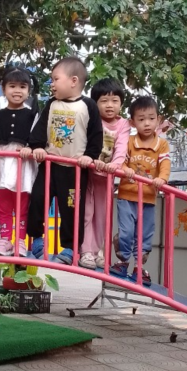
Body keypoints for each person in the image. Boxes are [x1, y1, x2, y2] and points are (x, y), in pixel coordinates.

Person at [25, 56, 103, 264]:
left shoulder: (88, 106)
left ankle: (69, 248)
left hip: (74, 171)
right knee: (38, 200)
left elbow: (96, 135)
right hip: (50, 166)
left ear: (73, 81)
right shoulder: (52, 104)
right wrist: (37, 146)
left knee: (71, 210)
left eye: (55, 79)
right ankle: (37, 238)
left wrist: (89, 156)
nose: (52, 84)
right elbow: (41, 129)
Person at [111, 95, 171, 285]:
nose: (147, 123)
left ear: (158, 120)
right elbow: (120, 159)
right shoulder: (130, 141)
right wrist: (124, 168)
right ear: (132, 122)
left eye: (151, 118)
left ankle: (139, 266)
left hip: (148, 198)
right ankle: (123, 260)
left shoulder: (161, 144)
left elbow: (165, 164)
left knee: (145, 234)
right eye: (141, 119)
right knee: (127, 231)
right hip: (127, 196)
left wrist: (162, 178)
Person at [0, 66, 38, 256]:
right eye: (12, 86)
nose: (17, 91)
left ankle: (20, 241)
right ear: (4, 89)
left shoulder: (32, 113)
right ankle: (5, 240)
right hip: (1, 161)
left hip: (23, 162)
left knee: (22, 205)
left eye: (22, 87)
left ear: (28, 90)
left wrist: (30, 146)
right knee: (3, 204)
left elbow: (38, 136)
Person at [79, 77, 130, 270]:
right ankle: (86, 251)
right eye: (104, 101)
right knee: (86, 213)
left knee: (102, 216)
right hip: (88, 173)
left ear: (121, 103)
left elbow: (121, 147)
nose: (110, 105)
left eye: (115, 101)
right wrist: (91, 159)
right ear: (95, 103)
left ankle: (97, 252)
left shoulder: (123, 124)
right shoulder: (91, 119)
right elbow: (84, 141)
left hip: (106, 177)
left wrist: (115, 165)